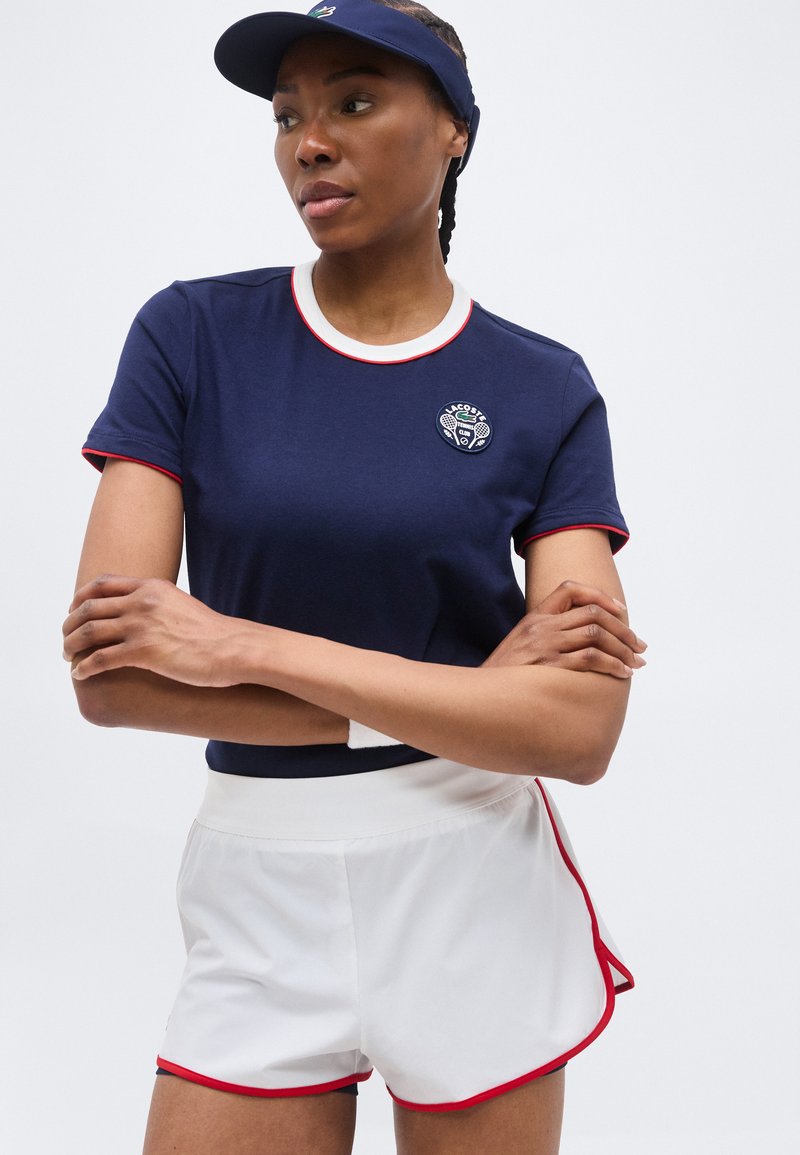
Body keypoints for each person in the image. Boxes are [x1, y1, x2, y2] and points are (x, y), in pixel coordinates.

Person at [62, 2, 646, 1151]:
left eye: (354, 101)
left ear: (453, 130)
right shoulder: (191, 337)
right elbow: (113, 678)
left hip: (469, 878)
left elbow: (576, 729)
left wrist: (242, 647)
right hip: (257, 882)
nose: (309, 142)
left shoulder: (541, 387)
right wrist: (469, 697)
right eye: (287, 116)